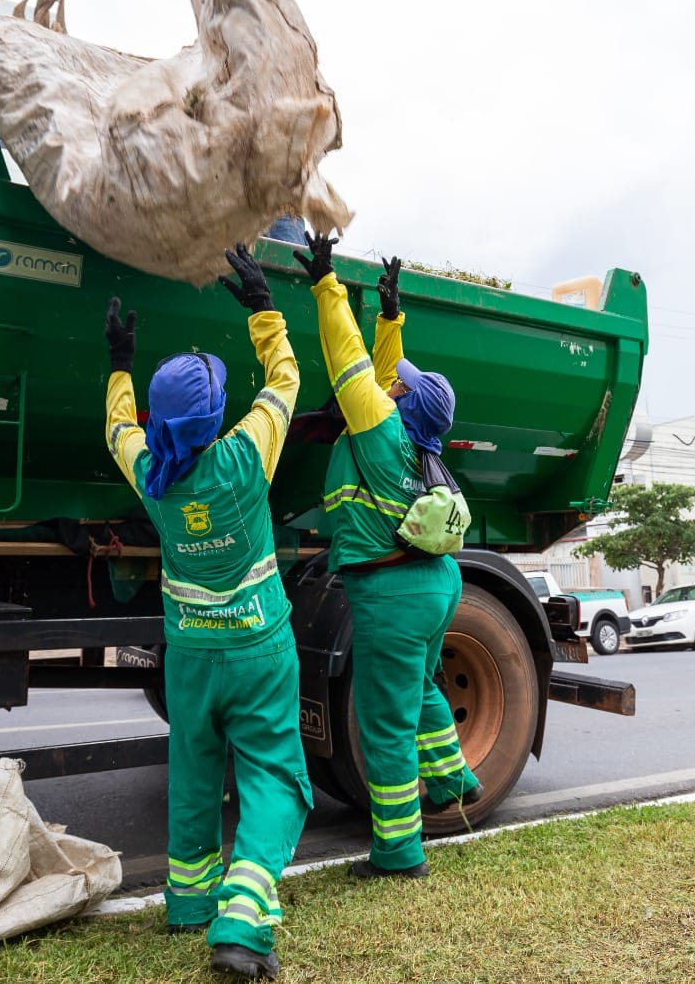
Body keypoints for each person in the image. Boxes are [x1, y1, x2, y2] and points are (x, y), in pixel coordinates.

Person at [102, 243, 308, 981]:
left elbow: (116, 429)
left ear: (161, 419)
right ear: (218, 415)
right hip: (259, 649)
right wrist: (262, 308)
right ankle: (243, 921)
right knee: (275, 779)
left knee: (194, 772)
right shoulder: (247, 455)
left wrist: (120, 363)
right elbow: (285, 382)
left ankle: (187, 901)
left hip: (189, 656)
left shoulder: (152, 478)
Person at [298, 233, 481, 880]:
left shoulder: (376, 429)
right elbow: (378, 374)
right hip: (439, 585)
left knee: (383, 726)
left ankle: (400, 854)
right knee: (423, 689)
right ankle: (456, 776)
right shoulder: (417, 442)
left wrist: (326, 282)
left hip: (393, 598)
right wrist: (390, 313)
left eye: (402, 386)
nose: (393, 386)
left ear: (404, 404)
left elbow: (347, 364)